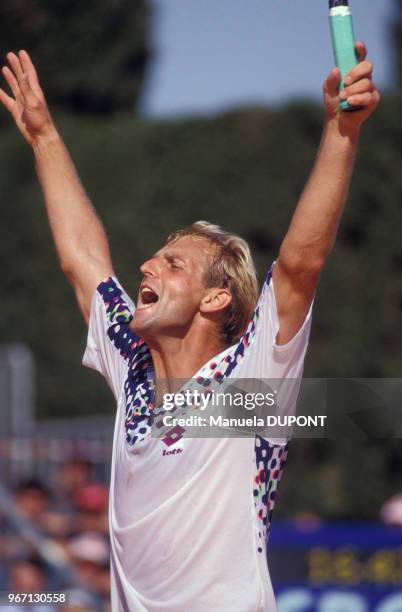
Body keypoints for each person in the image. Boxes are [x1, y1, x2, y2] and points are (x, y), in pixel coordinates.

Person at [0, 47, 379, 611]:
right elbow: (84, 262)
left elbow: (300, 265)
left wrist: (340, 131)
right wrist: (45, 138)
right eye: (154, 259)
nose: (147, 267)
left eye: (173, 264)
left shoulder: (252, 378)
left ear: (216, 298)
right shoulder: (132, 367)